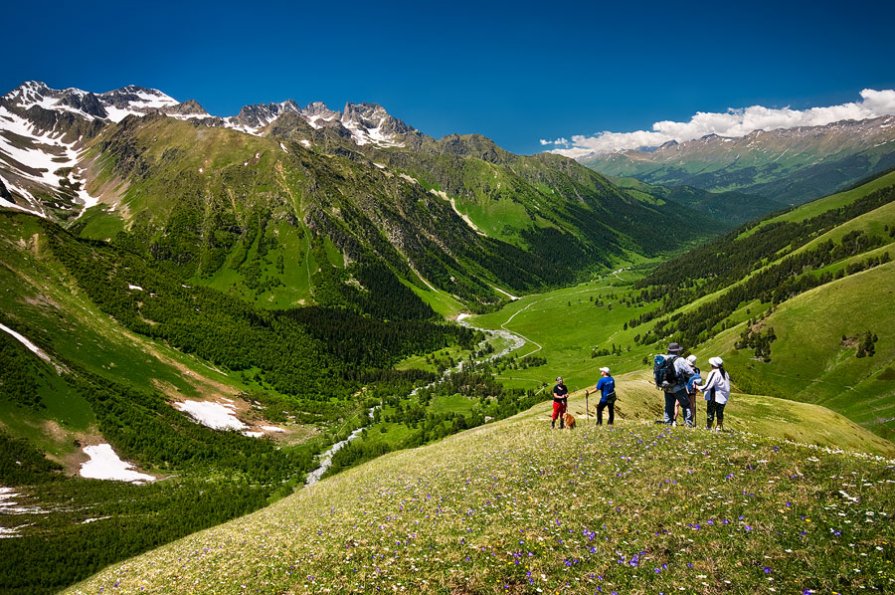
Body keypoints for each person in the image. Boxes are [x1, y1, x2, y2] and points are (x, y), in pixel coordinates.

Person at [661, 342, 695, 427]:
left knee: (669, 406)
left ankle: (667, 423)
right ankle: (688, 423)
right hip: (678, 387)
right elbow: (691, 373)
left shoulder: (664, 359)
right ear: (677, 351)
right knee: (686, 404)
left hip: (667, 387)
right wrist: (683, 375)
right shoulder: (680, 360)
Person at [695, 357, 730, 431]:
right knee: (720, 412)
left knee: (710, 411)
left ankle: (708, 426)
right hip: (723, 396)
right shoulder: (725, 373)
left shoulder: (714, 373)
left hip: (714, 395)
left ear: (713, 365)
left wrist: (698, 387)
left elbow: (708, 386)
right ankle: (718, 427)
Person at [679, 354, 701, 423]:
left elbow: (683, 380)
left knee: (685, 405)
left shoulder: (685, 369)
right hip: (693, 389)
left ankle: (687, 420)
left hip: (686, 389)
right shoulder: (697, 370)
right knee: (692, 404)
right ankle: (691, 419)